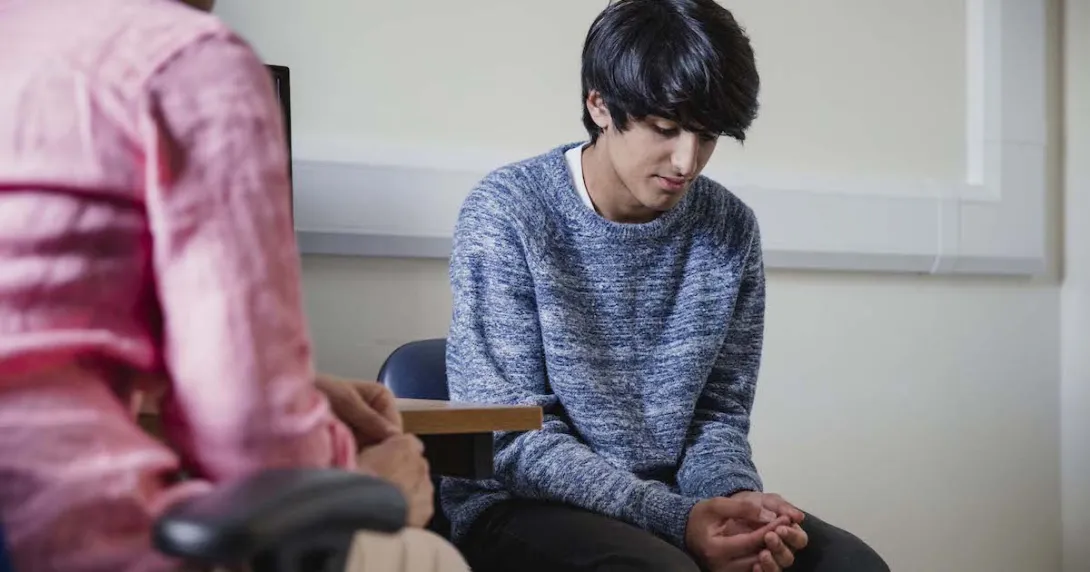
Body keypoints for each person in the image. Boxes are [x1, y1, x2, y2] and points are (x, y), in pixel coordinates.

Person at [0, 0, 467, 570]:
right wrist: (373, 484)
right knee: (427, 556)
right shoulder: (186, 61)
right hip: (66, 533)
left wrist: (299, 389)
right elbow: (257, 448)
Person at [442, 1, 891, 571]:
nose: (687, 160)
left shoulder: (729, 228)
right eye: (665, 129)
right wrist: (676, 520)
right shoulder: (509, 213)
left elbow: (717, 418)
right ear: (599, 105)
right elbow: (509, 440)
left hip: (678, 503)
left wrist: (732, 504)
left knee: (850, 565)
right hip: (520, 504)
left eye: (707, 136)